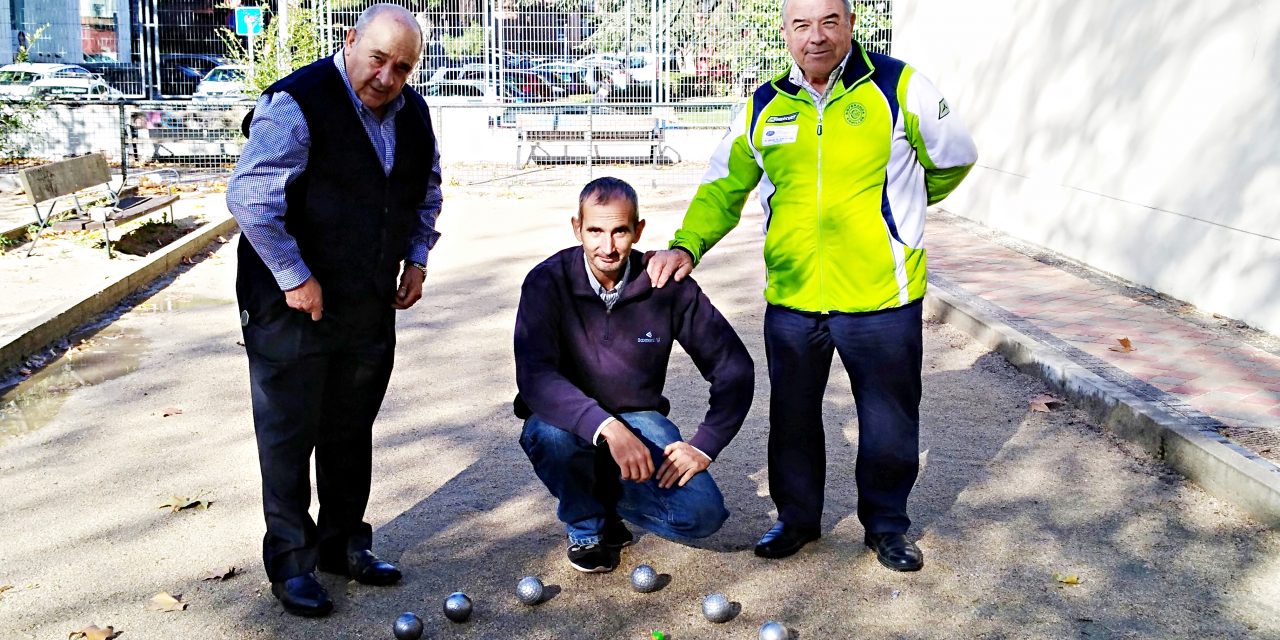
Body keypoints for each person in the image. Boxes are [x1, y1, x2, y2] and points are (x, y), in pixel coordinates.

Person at [646, 0, 977, 571]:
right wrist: (687, 243)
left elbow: (954, 159)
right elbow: (723, 186)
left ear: (851, 25)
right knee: (793, 418)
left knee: (889, 420)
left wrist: (903, 213)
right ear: (785, 32)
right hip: (794, 300)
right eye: (801, 24)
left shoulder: (900, 87)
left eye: (829, 21)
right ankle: (796, 520)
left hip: (881, 297)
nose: (816, 37)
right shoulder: (762, 106)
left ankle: (887, 527)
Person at [225, 3, 442, 617]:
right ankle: (292, 563)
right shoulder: (296, 104)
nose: (388, 77)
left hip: (367, 301)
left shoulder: (414, 112)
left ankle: (343, 544)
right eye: (378, 59)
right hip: (287, 303)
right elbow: (251, 197)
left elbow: (426, 191)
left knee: (351, 429)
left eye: (403, 67)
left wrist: (417, 257)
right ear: (350, 42)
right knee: (290, 435)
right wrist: (296, 277)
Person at [514, 177, 754, 573]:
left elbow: (734, 369)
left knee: (702, 515)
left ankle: (600, 499)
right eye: (594, 230)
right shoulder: (547, 281)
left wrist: (705, 444)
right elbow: (537, 377)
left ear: (638, 230)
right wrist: (608, 427)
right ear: (577, 228)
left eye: (619, 231)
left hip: (641, 417)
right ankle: (587, 525)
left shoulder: (667, 285)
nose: (607, 247)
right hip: (570, 423)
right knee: (549, 434)